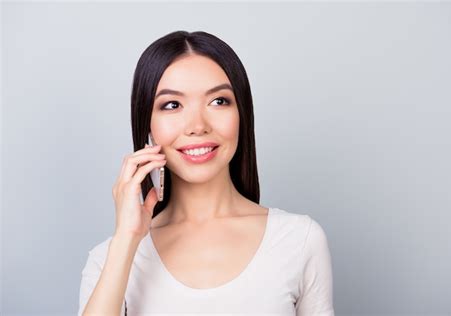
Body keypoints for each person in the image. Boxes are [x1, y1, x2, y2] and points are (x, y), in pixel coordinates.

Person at [78, 30, 334, 316]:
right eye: (172, 105)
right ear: (147, 127)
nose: (197, 125)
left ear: (242, 114)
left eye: (218, 101)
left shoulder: (299, 240)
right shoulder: (110, 259)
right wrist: (126, 238)